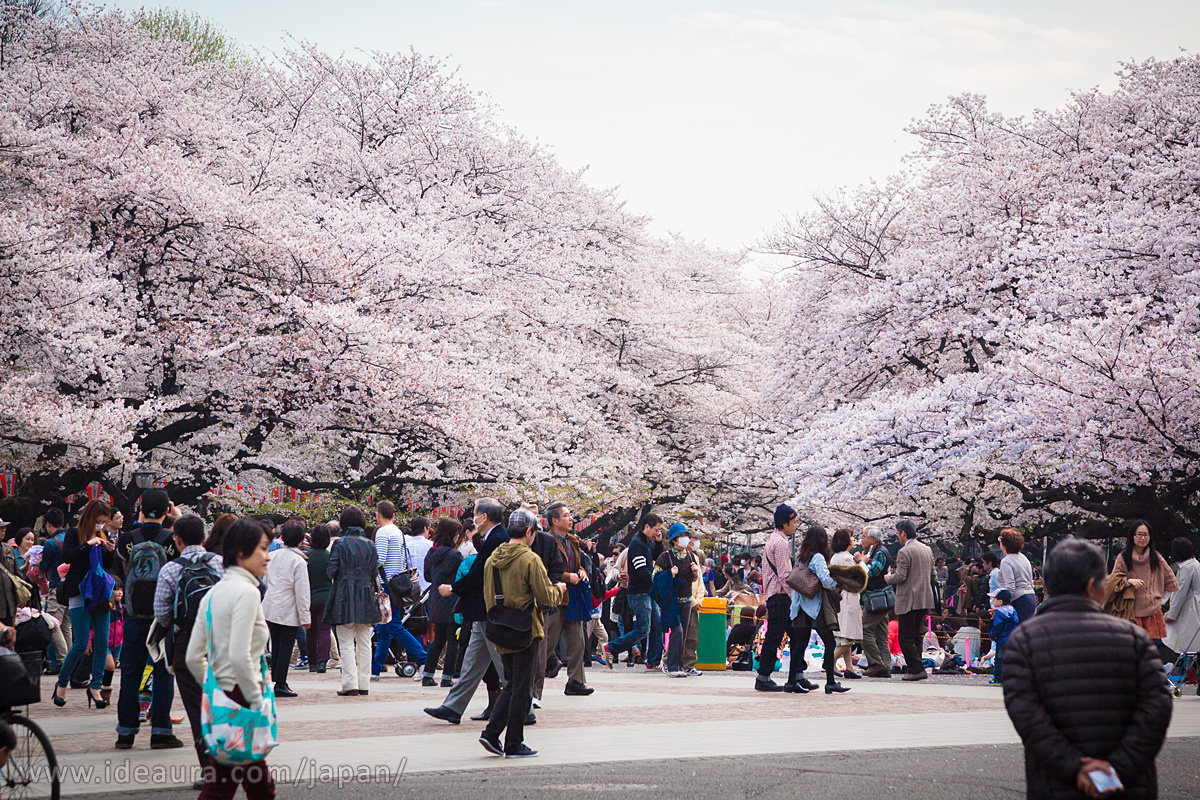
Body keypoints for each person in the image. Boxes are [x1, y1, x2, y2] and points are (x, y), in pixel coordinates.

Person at [1004, 538, 1172, 799]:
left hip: (1055, 781)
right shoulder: (1134, 639)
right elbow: (1157, 707)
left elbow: (1026, 715)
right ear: (1093, 585)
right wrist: (1117, 767)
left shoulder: (1024, 640)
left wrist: (1073, 766)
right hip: (1126, 783)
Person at [186, 518, 278, 800]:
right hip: (243, 696)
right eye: (262, 548)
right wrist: (255, 701)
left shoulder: (212, 594)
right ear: (241, 552)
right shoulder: (248, 592)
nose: (268, 555)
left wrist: (216, 688)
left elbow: (193, 657)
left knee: (243, 783)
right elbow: (240, 656)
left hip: (223, 695)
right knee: (229, 786)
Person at [478, 508, 567, 759]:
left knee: (512, 684)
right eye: (534, 532)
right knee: (522, 688)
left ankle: (492, 734)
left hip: (500, 626)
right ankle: (513, 742)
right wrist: (558, 588)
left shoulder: (492, 558)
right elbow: (546, 596)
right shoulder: (530, 559)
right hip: (526, 628)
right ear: (529, 532)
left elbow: (487, 596)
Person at [424, 498, 509, 725]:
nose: (473, 518)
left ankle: (524, 707)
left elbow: (480, 571)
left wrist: (453, 588)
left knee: (503, 664)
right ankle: (453, 707)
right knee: (472, 664)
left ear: (485, 516)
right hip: (481, 610)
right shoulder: (492, 537)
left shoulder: (498, 538)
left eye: (475, 514)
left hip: (488, 608)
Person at [155, 514, 224, 788]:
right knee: (223, 701)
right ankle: (235, 760)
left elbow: (160, 613)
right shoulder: (221, 563)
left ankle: (210, 771)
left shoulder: (170, 569)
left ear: (177, 539)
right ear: (204, 538)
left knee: (197, 708)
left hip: (187, 643)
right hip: (221, 642)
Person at [114, 488, 182, 748]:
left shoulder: (126, 539)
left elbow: (122, 567)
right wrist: (177, 518)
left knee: (130, 673)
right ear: (167, 511)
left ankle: (126, 731)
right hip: (163, 618)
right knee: (164, 673)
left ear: (140, 509)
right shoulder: (172, 539)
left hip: (133, 615)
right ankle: (161, 731)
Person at [52, 499, 117, 709]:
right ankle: (61, 683)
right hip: (79, 590)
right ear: (89, 518)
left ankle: (95, 687)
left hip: (100, 594)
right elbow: (68, 557)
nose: (101, 525)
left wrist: (110, 550)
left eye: (103, 521)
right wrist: (87, 545)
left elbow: (107, 567)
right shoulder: (74, 533)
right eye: (98, 521)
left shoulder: (104, 535)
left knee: (102, 643)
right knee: (80, 643)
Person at [325, 507, 381, 696]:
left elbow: (331, 571)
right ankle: (364, 683)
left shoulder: (340, 544)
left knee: (346, 640)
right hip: (366, 593)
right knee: (365, 640)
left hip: (344, 594)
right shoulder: (370, 544)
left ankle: (350, 683)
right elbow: (374, 572)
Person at [538, 502, 592, 697]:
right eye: (567, 515)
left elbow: (578, 564)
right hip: (555, 597)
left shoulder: (573, 541)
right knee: (547, 642)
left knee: (578, 641)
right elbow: (543, 570)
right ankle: (531, 683)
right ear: (554, 520)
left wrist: (581, 571)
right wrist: (567, 576)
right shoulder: (545, 540)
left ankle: (576, 682)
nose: (571, 519)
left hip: (573, 597)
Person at [788, 525, 850, 694]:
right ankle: (830, 682)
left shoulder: (801, 558)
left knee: (799, 645)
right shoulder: (818, 558)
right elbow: (825, 580)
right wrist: (836, 583)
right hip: (814, 607)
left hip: (799, 607)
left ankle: (791, 681)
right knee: (829, 642)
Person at [372, 501, 426, 680]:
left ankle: (423, 657)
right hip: (398, 585)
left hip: (386, 586)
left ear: (379, 514)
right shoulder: (398, 532)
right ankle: (375, 668)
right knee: (384, 628)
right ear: (393, 515)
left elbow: (380, 559)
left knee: (392, 625)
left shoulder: (382, 532)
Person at [602, 513, 662, 670]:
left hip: (647, 592)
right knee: (643, 629)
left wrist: (659, 543)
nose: (658, 532)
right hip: (639, 593)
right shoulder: (637, 544)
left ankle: (653, 661)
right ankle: (611, 647)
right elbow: (641, 570)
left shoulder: (647, 542)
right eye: (656, 529)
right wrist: (656, 584)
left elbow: (657, 557)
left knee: (656, 625)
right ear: (647, 527)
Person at [261, 518, 310, 698]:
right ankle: (280, 682)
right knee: (286, 646)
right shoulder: (299, 562)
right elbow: (302, 592)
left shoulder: (272, 556)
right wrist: (305, 618)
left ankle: (277, 680)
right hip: (288, 608)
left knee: (276, 644)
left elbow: (264, 581)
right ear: (300, 540)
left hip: (270, 605)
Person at [885, 519, 937, 681]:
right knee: (917, 636)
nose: (898, 537)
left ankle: (916, 669)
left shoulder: (904, 552)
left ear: (903, 533)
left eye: (898, 533)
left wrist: (888, 577)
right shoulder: (926, 549)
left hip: (909, 600)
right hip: (924, 599)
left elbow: (900, 576)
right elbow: (933, 575)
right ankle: (916, 667)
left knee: (905, 637)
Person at [754, 504, 798, 692]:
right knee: (776, 636)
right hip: (781, 595)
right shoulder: (780, 543)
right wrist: (793, 595)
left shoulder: (773, 539)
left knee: (792, 635)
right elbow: (785, 574)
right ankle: (764, 676)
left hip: (775, 594)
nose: (796, 525)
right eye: (794, 522)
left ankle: (797, 674)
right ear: (784, 523)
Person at [1110, 520, 1178, 643]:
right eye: (1139, 534)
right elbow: (1113, 582)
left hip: (1152, 614)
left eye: (1146, 535)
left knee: (1150, 652)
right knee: (1131, 652)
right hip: (1129, 613)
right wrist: (1129, 581)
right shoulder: (1123, 557)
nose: (1143, 538)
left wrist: (1161, 601)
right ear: (1132, 536)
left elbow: (1171, 581)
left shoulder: (1156, 557)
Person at [423, 517, 464, 687]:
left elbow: (427, 576)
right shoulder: (455, 555)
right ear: (453, 535)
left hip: (435, 601)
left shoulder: (432, 552)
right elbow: (463, 576)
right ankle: (447, 677)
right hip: (452, 600)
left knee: (438, 639)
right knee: (453, 640)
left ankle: (427, 675)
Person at [654, 523, 696, 678]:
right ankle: (671, 666)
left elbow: (692, 579)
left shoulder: (690, 556)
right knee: (677, 631)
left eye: (686, 536)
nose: (685, 539)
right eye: (681, 536)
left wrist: (695, 574)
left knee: (683, 633)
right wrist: (669, 574)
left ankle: (679, 665)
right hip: (672, 601)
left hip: (687, 600)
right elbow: (655, 578)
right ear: (674, 539)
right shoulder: (665, 557)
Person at [40, 508, 72, 674]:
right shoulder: (70, 538)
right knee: (66, 625)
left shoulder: (50, 543)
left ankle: (63, 660)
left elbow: (44, 567)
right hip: (70, 587)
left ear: (48, 524)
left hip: (56, 587)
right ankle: (71, 660)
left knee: (52, 624)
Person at [859, 527, 893, 678]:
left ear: (873, 539)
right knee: (881, 633)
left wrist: (861, 562)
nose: (862, 539)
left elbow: (872, 572)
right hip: (880, 599)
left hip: (877, 599)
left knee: (863, 629)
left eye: (864, 536)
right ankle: (886, 665)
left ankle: (875, 663)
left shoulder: (880, 552)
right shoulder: (875, 551)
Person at [829, 528, 862, 679]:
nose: (853, 540)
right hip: (849, 599)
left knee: (845, 636)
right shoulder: (847, 559)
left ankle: (849, 667)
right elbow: (860, 578)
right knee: (849, 637)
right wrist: (862, 562)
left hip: (840, 599)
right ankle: (830, 661)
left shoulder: (835, 557)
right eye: (851, 537)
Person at [1164, 538, 1200, 675]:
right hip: (1196, 605)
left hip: (1189, 608)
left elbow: (1180, 594)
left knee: (1179, 640)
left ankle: (1181, 670)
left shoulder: (1186, 568)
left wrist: (1171, 614)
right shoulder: (1196, 564)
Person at [305, 524, 334, 674]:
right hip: (326, 597)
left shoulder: (306, 557)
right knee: (324, 631)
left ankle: (311, 662)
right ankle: (322, 662)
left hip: (309, 597)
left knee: (311, 631)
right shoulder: (329, 557)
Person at [998, 528, 1038, 623]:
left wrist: (1002, 605)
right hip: (1030, 596)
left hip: (1019, 600)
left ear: (1004, 544)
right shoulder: (1023, 557)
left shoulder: (1007, 561)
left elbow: (1010, 587)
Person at [987, 588, 1018, 687]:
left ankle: (998, 679)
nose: (992, 601)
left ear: (1000, 601)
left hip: (1002, 639)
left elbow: (998, 626)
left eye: (994, 599)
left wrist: (992, 635)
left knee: (999, 659)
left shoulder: (999, 612)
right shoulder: (1012, 609)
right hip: (1013, 638)